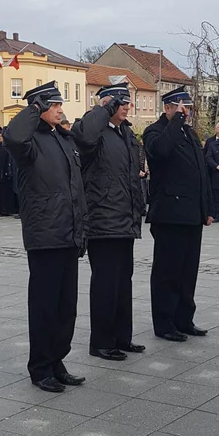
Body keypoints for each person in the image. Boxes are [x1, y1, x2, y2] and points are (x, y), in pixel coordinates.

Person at [4, 80, 87, 392]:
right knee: (44, 306)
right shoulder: (29, 142)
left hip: (69, 233)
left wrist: (82, 229)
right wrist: (34, 108)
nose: (60, 110)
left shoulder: (63, 139)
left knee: (66, 306)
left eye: (59, 105)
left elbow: (75, 188)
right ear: (38, 107)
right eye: (53, 105)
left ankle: (57, 360)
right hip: (45, 234)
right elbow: (12, 135)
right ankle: (40, 368)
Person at [72, 83, 145, 361]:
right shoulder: (94, 130)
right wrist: (102, 109)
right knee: (105, 283)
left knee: (123, 281)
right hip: (102, 218)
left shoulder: (124, 133)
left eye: (127, 102)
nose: (126, 106)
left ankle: (121, 337)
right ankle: (101, 342)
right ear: (106, 105)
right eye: (120, 102)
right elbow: (84, 136)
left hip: (125, 219)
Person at [143, 86, 213, 342]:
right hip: (169, 213)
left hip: (192, 214)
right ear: (168, 108)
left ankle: (184, 319)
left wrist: (207, 209)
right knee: (167, 271)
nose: (187, 113)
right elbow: (160, 151)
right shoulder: (156, 131)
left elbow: (200, 173)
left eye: (189, 109)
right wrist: (177, 121)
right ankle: (164, 322)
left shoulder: (189, 133)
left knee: (187, 270)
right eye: (182, 108)